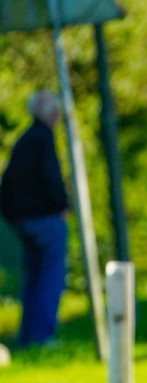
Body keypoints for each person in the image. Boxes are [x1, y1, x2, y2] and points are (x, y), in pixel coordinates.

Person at [0, 90, 69, 347]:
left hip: (23, 222)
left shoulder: (25, 140)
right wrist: (61, 205)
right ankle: (43, 337)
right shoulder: (42, 139)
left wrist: (14, 219)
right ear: (50, 113)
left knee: (33, 280)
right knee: (50, 278)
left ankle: (28, 336)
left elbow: (6, 185)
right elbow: (50, 176)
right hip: (45, 220)